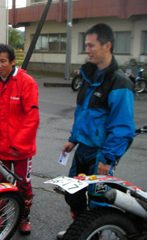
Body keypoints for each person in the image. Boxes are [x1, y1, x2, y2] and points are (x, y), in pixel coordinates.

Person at [58, 23, 136, 238]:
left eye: (91, 45)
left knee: (98, 199)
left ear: (107, 45)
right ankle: (82, 228)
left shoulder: (120, 82)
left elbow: (122, 127)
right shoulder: (88, 76)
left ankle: (97, 232)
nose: (87, 50)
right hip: (82, 149)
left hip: (101, 153)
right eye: (86, 45)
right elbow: (82, 113)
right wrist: (73, 139)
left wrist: (108, 158)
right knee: (72, 193)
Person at [0, 43, 40, 235]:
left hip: (21, 149)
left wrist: (19, 144)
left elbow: (32, 117)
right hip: (0, 146)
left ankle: (24, 216)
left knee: (23, 183)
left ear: (13, 61)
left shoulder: (26, 82)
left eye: (3, 61)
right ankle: (0, 215)